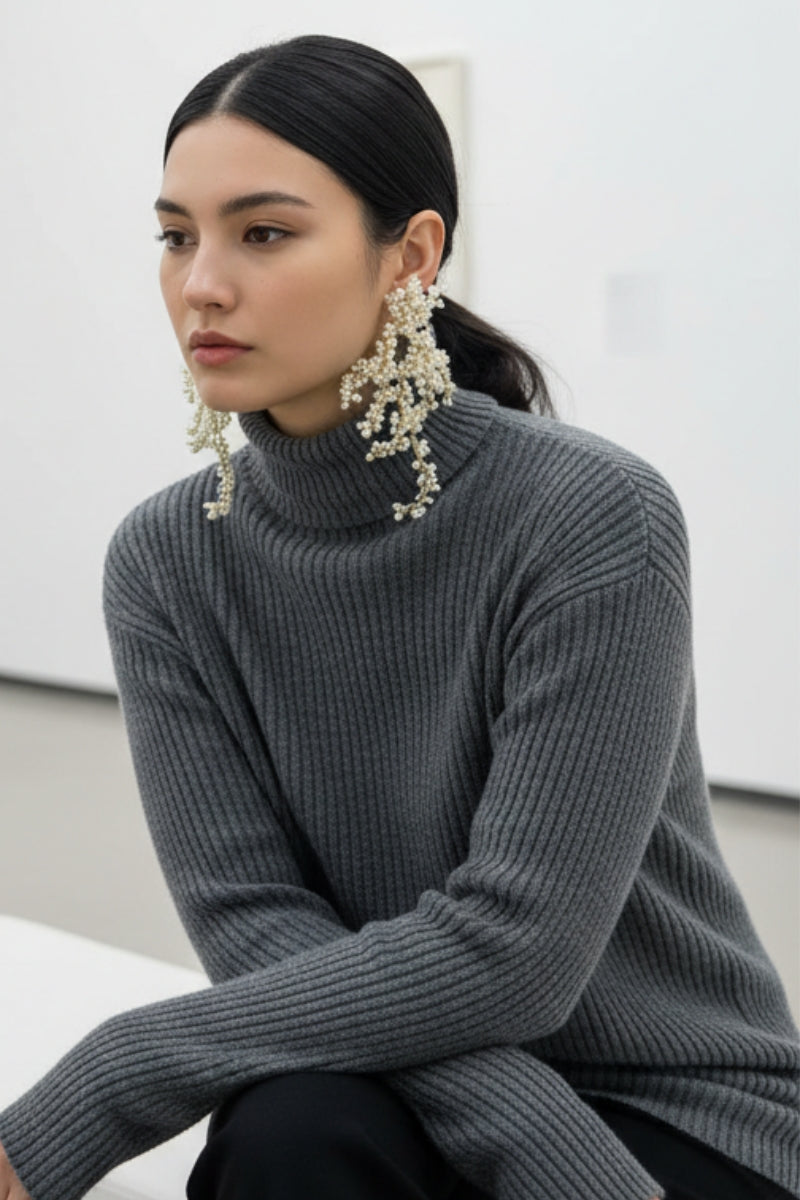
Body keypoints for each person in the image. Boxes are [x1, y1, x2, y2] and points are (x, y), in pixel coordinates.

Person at [0, 32, 797, 1200]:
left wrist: (106, 1081)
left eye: (262, 233)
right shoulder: (166, 561)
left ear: (409, 254)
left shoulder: (588, 516)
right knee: (288, 1132)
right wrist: (542, 1154)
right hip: (402, 1072)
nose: (201, 284)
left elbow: (514, 958)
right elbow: (255, 920)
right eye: (176, 236)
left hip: (673, 1104)